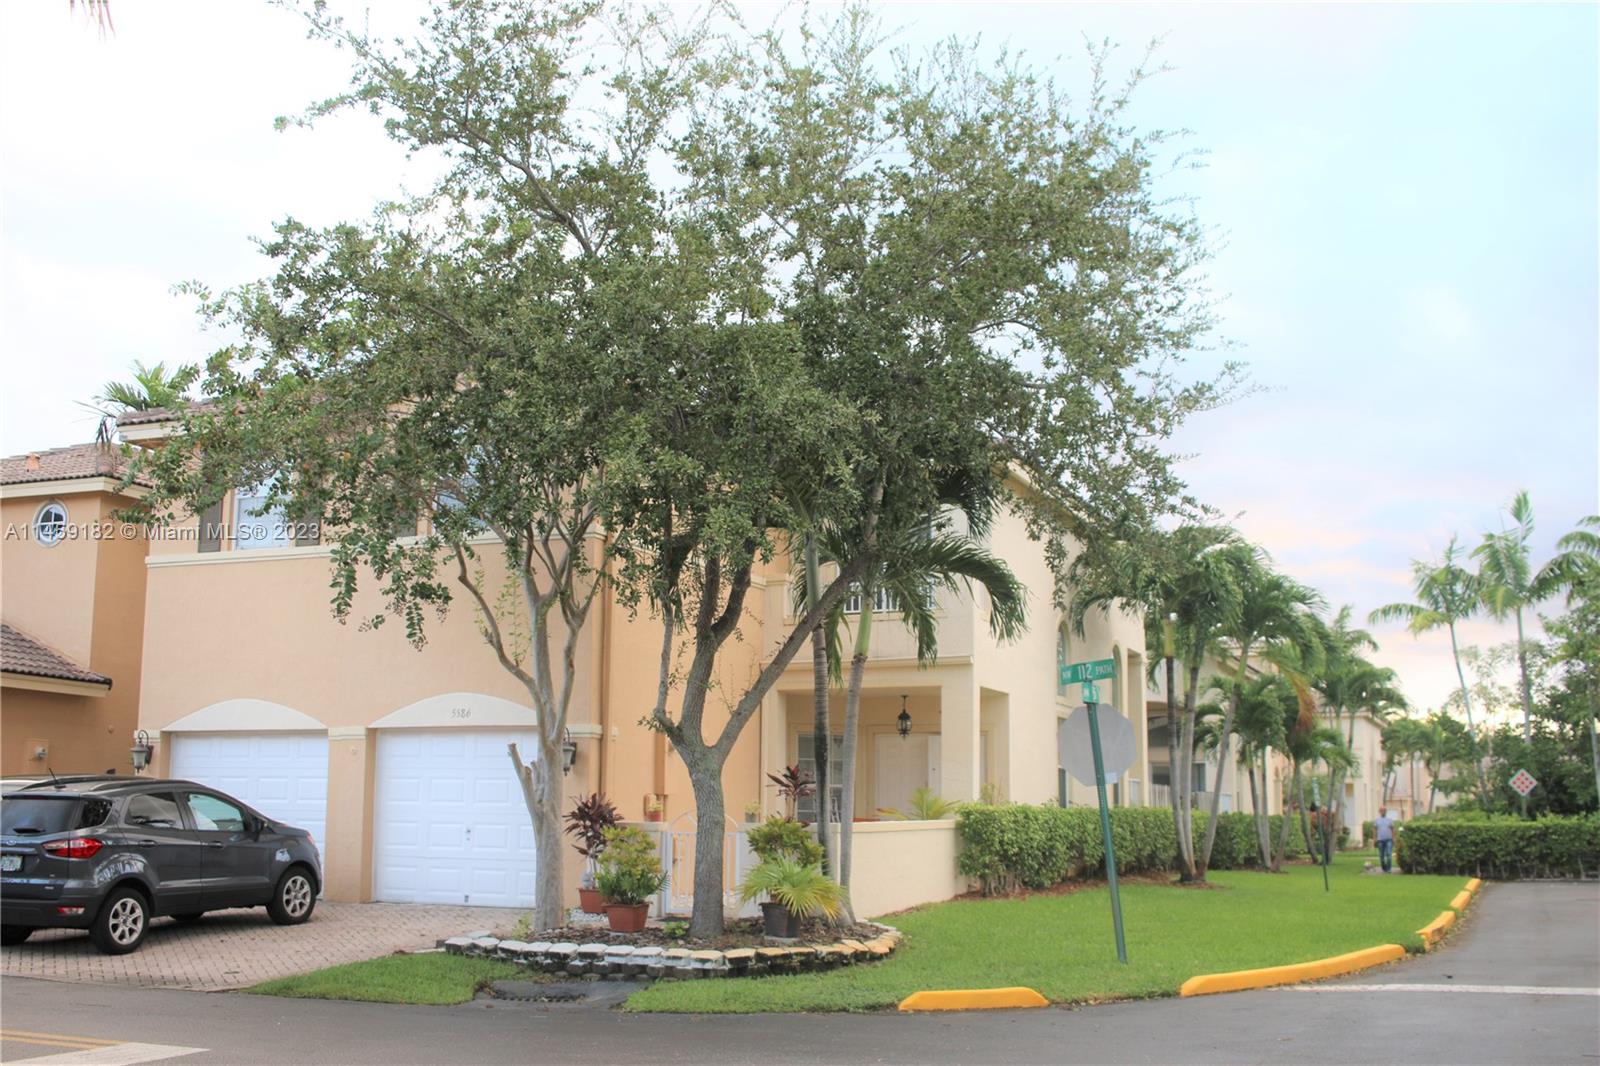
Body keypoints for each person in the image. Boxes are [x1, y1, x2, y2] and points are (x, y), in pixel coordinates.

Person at [1373, 806, 1397, 873]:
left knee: (1389, 854)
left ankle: (1389, 869)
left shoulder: (1389, 820)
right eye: (1382, 810)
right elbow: (1374, 831)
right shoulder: (1377, 820)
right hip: (1380, 840)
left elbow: (1393, 830)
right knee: (1382, 856)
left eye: (1384, 810)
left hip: (1389, 840)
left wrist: (1394, 838)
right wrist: (1374, 839)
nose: (1383, 812)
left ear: (1386, 812)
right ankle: (1384, 868)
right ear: (1380, 812)